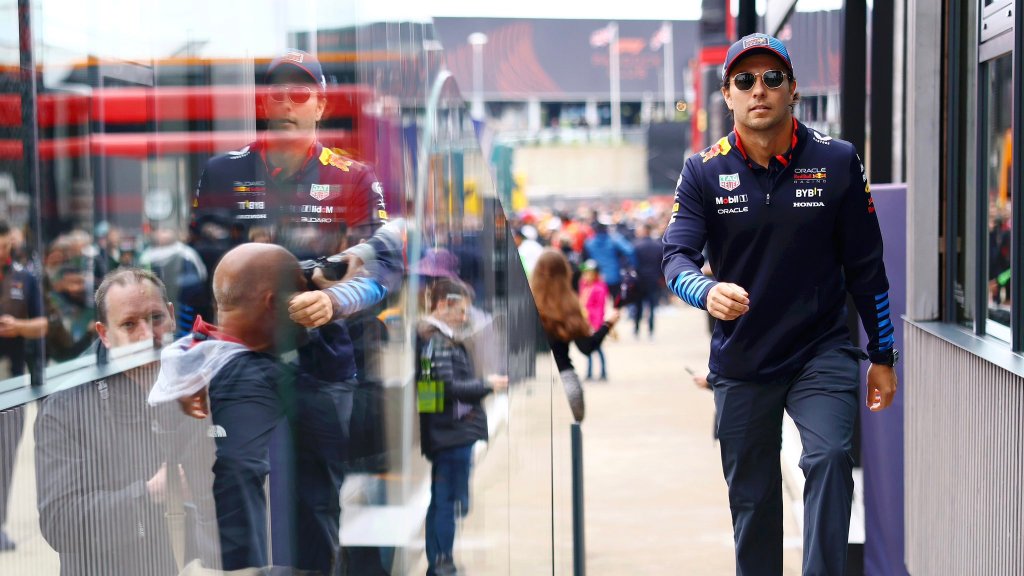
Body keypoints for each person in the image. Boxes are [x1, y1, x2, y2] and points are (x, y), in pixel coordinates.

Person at [661, 33, 898, 575]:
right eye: (745, 80)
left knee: (831, 459)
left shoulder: (837, 161)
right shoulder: (702, 170)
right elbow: (675, 257)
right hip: (743, 360)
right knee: (753, 500)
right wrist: (705, 290)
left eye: (772, 78)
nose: (759, 90)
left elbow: (867, 267)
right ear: (727, 95)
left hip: (821, 350)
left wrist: (883, 357)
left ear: (793, 90)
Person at [34, 267, 216, 575]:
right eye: (129, 324)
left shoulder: (205, 380)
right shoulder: (66, 405)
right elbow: (60, 522)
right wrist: (152, 493)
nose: (147, 335)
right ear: (104, 334)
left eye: (156, 318)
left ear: (172, 316)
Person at [416, 277, 506, 576]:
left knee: (444, 501)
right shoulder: (436, 340)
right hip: (452, 433)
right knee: (447, 503)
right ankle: (443, 565)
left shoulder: (432, 338)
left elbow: (431, 393)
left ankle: (440, 562)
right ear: (443, 305)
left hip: (447, 431)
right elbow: (445, 387)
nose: (465, 317)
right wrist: (486, 385)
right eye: (461, 310)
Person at [0, 220, 47, 552]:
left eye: (6, 245)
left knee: (4, 456)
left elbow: (43, 324)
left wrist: (19, 326)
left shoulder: (25, 278)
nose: (5, 251)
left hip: (12, 380)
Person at [530, 249, 620, 422]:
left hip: (533, 384)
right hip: (566, 383)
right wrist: (607, 324)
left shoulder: (524, 305)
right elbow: (586, 347)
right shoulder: (569, 306)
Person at [583, 216, 635, 303]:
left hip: (597, 277)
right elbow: (630, 251)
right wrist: (630, 265)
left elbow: (586, 260)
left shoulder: (589, 242)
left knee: (599, 304)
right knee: (616, 303)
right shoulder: (614, 239)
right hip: (614, 276)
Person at [629, 223, 663, 338]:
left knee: (638, 305)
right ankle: (651, 330)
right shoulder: (658, 245)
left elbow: (633, 264)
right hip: (653, 279)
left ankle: (636, 329)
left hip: (639, 280)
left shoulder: (636, 245)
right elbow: (662, 264)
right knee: (652, 306)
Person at [577, 259, 609, 381]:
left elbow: (600, 308)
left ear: (595, 274)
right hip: (585, 322)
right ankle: (589, 373)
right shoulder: (584, 286)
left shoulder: (599, 288)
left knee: (598, 349)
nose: (586, 276)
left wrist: (596, 324)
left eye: (589, 273)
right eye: (585, 273)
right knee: (588, 349)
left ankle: (603, 372)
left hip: (595, 323)